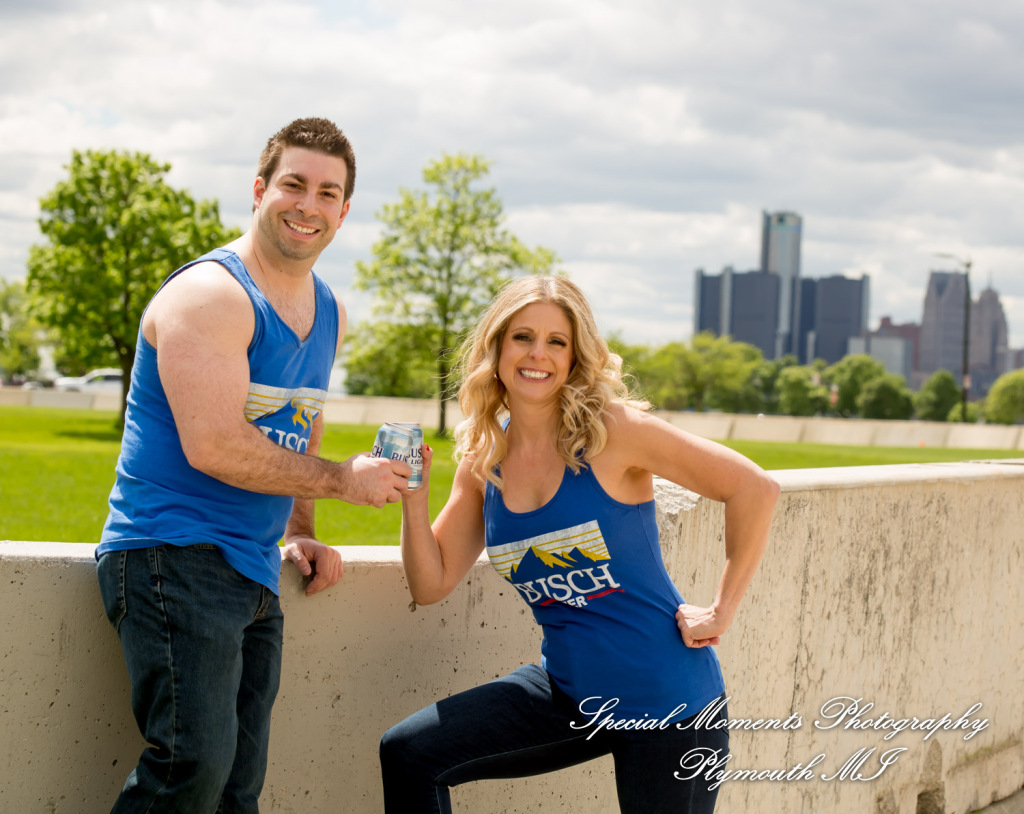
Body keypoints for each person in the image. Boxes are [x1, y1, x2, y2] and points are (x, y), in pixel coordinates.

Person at [96, 117, 411, 813]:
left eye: (328, 193)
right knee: (192, 767)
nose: (309, 205)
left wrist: (301, 527)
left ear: (344, 212)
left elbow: (302, 418)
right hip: (170, 552)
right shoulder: (211, 295)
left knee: (237, 786)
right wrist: (340, 480)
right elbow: (214, 445)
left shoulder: (327, 309)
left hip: (251, 564)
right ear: (260, 190)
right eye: (293, 185)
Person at [379, 276, 779, 813]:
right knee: (409, 753)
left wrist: (721, 610)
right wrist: (413, 499)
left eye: (556, 341)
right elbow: (431, 584)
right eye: (522, 337)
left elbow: (753, 487)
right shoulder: (483, 462)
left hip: (669, 707)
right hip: (568, 694)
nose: (537, 354)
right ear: (496, 348)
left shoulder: (612, 432)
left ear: (574, 356)